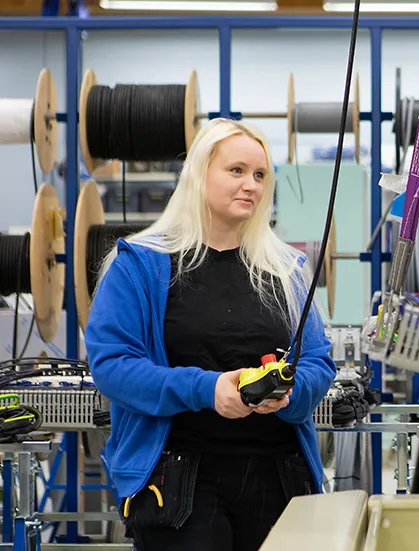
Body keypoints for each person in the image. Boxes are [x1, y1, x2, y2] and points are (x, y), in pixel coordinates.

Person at [85, 118, 337, 551]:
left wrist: (290, 393)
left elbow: (318, 361)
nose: (251, 186)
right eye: (236, 171)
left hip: (279, 478)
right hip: (178, 482)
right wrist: (207, 389)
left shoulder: (287, 270)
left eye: (260, 175)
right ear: (200, 173)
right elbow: (112, 366)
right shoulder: (139, 266)